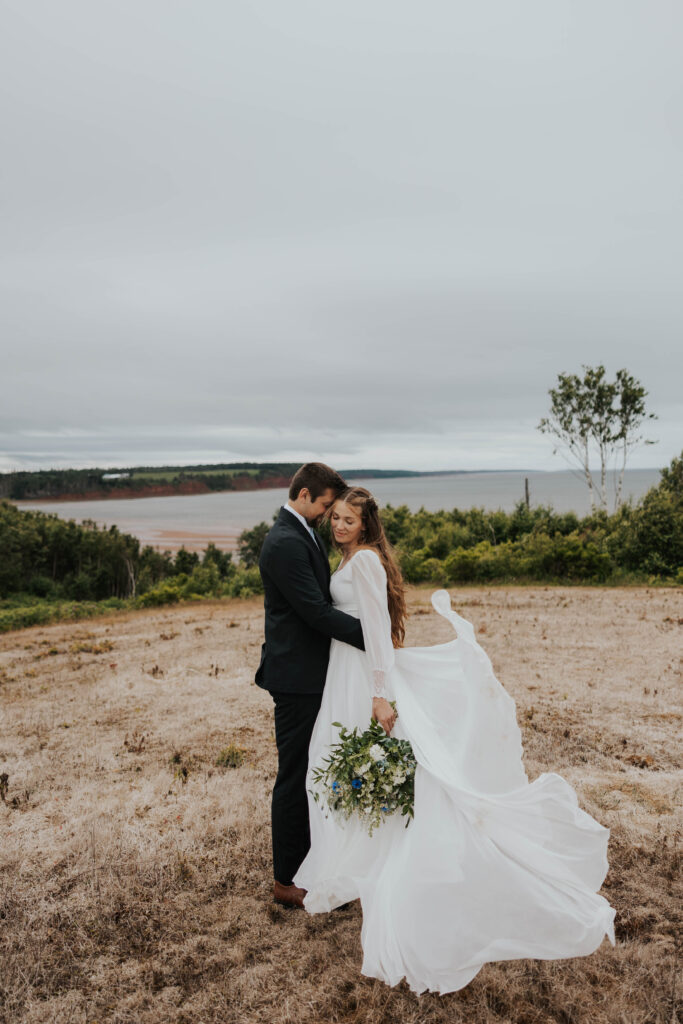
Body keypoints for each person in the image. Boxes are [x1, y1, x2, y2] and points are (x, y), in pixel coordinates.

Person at [294, 486, 616, 995]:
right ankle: (358, 858)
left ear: (366, 524)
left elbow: (377, 630)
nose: (338, 525)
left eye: (349, 520)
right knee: (346, 767)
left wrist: (380, 693)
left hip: (363, 674)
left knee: (375, 765)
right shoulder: (353, 559)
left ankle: (382, 859)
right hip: (344, 670)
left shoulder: (366, 564)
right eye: (334, 517)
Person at [256, 463, 365, 909]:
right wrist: (373, 639)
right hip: (296, 679)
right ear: (304, 495)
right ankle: (285, 880)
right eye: (324, 505)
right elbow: (316, 613)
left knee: (311, 770)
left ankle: (312, 862)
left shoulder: (300, 532)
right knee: (294, 775)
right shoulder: (284, 542)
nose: (327, 514)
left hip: (313, 673)